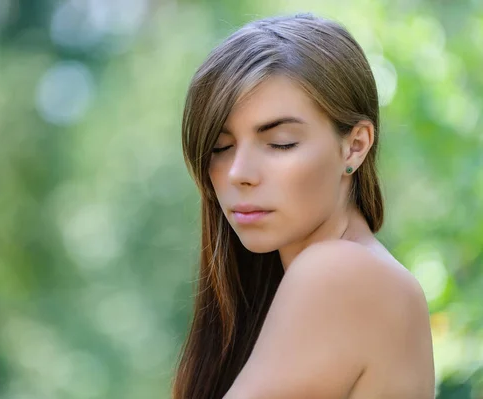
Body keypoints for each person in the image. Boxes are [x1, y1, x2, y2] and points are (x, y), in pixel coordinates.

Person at [171, 12, 435, 399]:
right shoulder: (358, 275)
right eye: (220, 148)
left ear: (355, 145)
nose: (238, 173)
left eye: (280, 142)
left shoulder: (341, 272)